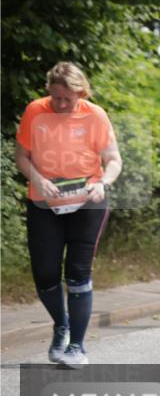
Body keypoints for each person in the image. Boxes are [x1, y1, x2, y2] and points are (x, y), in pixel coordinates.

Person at [15, 62, 122, 367]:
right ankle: (60, 324)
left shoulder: (95, 115)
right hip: (44, 203)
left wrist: (103, 182)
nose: (61, 104)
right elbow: (21, 155)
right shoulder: (35, 111)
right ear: (48, 90)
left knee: (77, 273)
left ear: (81, 92)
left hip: (87, 202)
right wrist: (38, 179)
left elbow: (113, 159)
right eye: (55, 97)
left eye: (68, 98)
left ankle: (77, 345)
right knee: (46, 274)